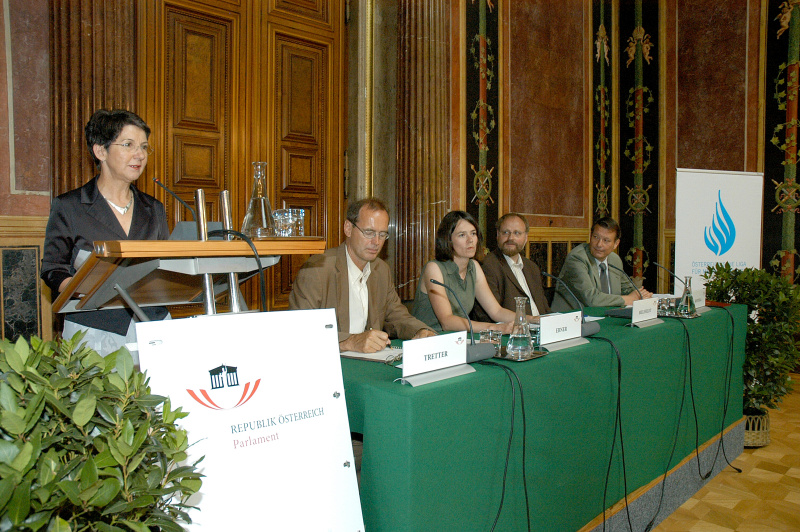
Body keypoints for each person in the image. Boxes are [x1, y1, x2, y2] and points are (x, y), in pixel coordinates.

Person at [41, 109, 170, 355]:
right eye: (128, 145)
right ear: (100, 151)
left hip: (152, 324)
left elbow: (164, 266)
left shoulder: (154, 208)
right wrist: (89, 290)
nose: (140, 154)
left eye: (144, 147)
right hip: (95, 327)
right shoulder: (70, 206)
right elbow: (53, 269)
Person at [289, 198, 437, 353]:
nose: (376, 242)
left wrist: (421, 331)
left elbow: (397, 316)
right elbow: (300, 331)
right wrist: (348, 342)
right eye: (369, 233)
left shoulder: (381, 270)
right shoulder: (317, 270)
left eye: (382, 234)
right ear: (348, 228)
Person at [412, 210, 536, 334]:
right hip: (428, 339)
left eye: (473, 233)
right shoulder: (434, 268)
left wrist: (531, 319)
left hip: (458, 339)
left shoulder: (474, 266)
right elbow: (447, 322)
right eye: (462, 235)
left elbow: (496, 311)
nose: (470, 240)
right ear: (448, 240)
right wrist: (497, 328)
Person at [551, 216, 653, 311]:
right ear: (590, 236)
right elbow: (591, 299)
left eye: (606, 240)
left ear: (616, 244)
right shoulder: (577, 258)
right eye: (596, 237)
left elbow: (627, 289)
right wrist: (627, 299)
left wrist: (641, 295)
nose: (599, 244)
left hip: (607, 316)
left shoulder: (615, 260)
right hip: (574, 318)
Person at [472, 213, 551, 322]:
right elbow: (489, 316)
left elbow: (545, 309)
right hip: (513, 329)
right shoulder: (488, 266)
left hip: (543, 328)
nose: (511, 238)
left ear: (526, 237)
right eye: (505, 232)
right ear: (497, 235)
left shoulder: (532, 267)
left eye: (517, 233)